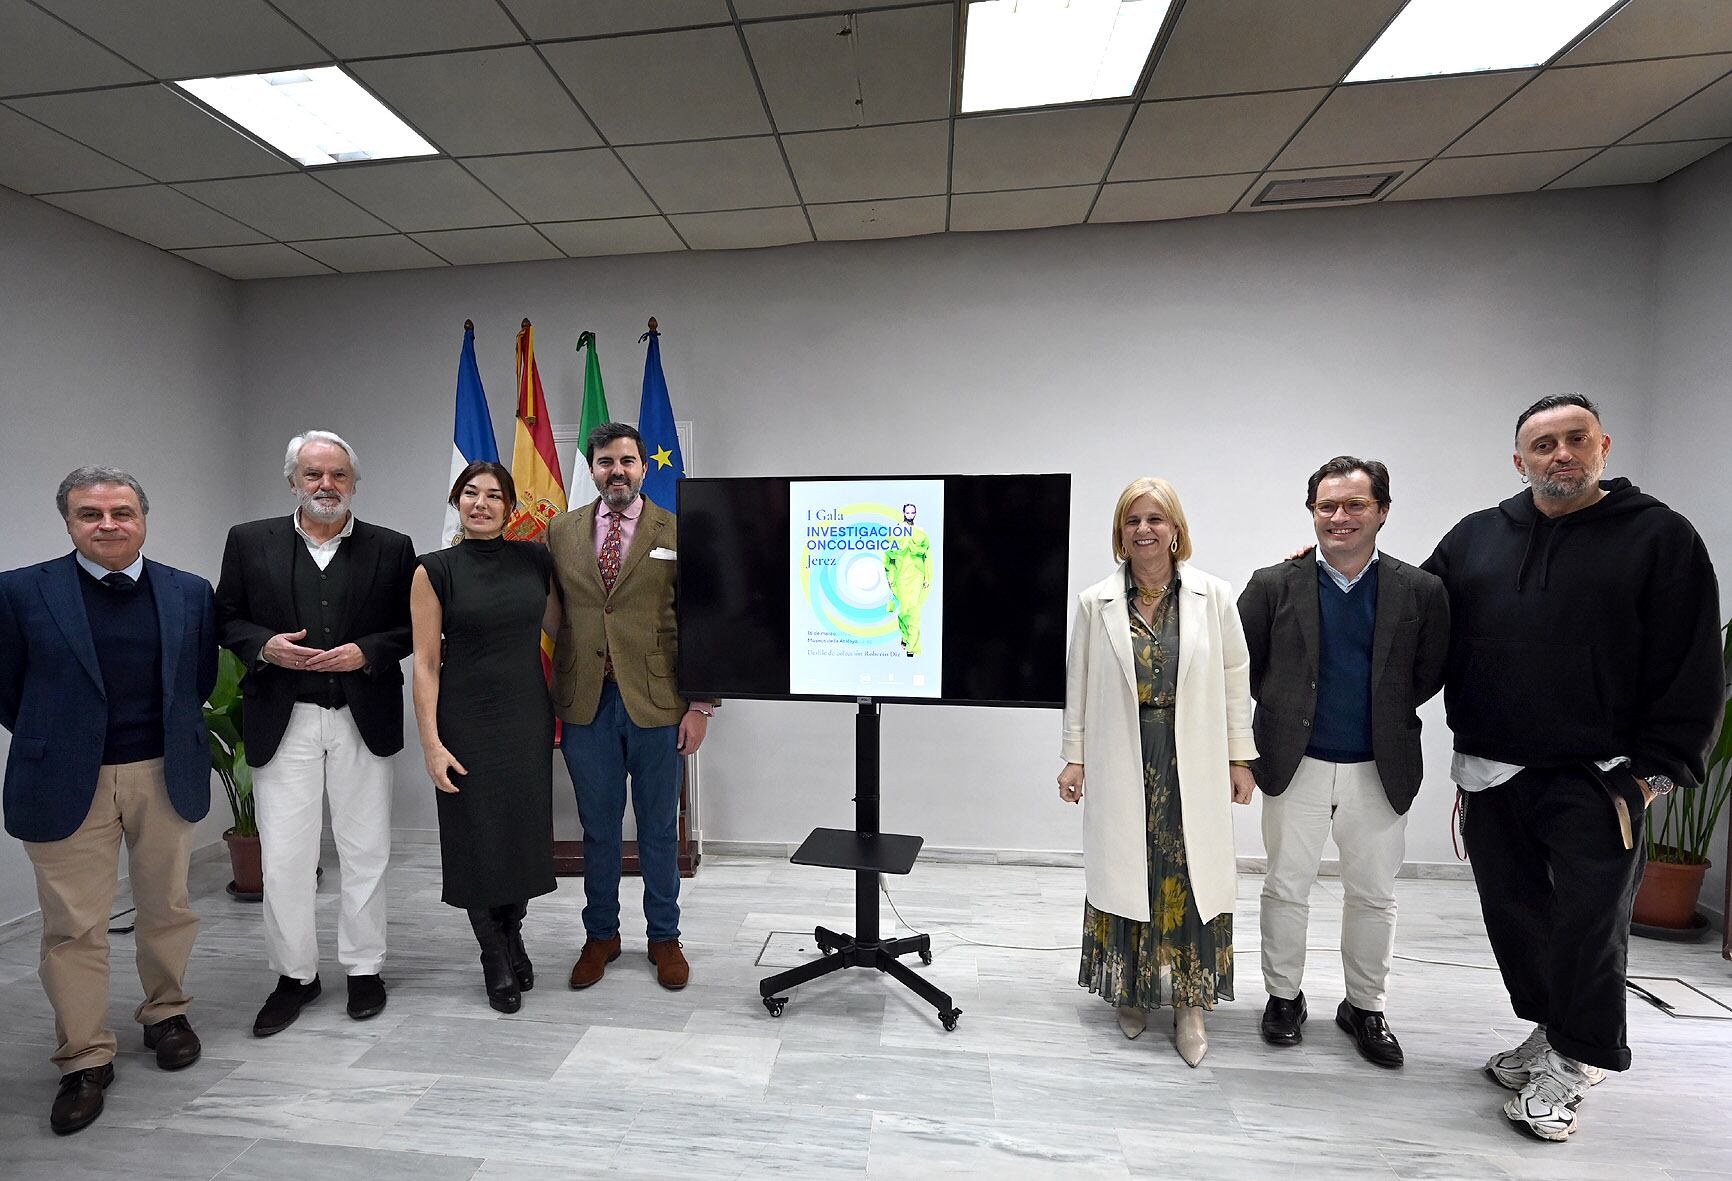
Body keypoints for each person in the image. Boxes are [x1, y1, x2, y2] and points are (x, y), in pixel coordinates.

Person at [1423, 394, 1721, 1141]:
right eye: (1544, 443)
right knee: (1517, 917)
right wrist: (1329, 569)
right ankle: (1555, 1030)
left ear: (1604, 446)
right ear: (1518, 459)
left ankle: (1579, 1059)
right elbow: (1414, 618)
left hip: (1600, 777)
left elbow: (1692, 663)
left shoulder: (1660, 537)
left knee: (1590, 926)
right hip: (1492, 772)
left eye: (1576, 439)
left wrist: (1654, 774)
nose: (1561, 454)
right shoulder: (1476, 538)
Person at [0, 467, 215, 1134]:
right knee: (74, 925)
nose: (108, 523)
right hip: (67, 778)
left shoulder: (189, 591)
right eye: (90, 513)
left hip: (162, 769)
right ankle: (84, 1057)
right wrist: (62, 741)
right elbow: (9, 690)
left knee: (167, 906)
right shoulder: (19, 591)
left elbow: (198, 678)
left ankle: (166, 1011)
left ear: (143, 518)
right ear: (68, 522)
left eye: (121, 511)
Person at [1237, 457, 1449, 1068]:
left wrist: (1380, 713)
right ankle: (1283, 998)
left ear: (1382, 511)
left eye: (1355, 505)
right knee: (1285, 888)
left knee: (1375, 895)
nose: (1340, 517)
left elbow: (1430, 671)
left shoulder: (1419, 591)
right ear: (1312, 513)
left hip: (1379, 769)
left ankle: (1365, 1006)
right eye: (1327, 506)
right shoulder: (1274, 584)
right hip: (1293, 763)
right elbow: (1245, 670)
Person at [215, 431, 416, 1036]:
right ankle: (294, 976)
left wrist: (368, 653)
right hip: (284, 716)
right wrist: (265, 646)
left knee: (365, 851)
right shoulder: (250, 542)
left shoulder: (391, 547)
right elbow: (225, 617)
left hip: (362, 716)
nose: (325, 485)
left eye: (337, 475)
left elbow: (413, 626)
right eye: (313, 475)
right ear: (294, 481)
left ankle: (363, 969)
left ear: (354, 483)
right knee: (284, 857)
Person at [1058, 477, 1257, 1066]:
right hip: (1125, 751)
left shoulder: (1212, 596)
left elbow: (1235, 679)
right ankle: (1133, 989)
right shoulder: (1096, 602)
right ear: (1120, 534)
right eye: (1131, 520)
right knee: (1130, 868)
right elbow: (1079, 684)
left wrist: (1239, 758)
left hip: (1188, 754)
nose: (1143, 530)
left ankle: (1190, 1004)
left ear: (1175, 529)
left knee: (1189, 874)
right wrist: (1075, 757)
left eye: (1155, 519)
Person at [548, 422, 714, 992]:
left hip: (661, 703)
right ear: (591, 469)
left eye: (626, 461)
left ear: (644, 467)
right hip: (585, 702)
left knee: (659, 832)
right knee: (596, 828)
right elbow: (553, 614)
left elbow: (704, 619)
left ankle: (664, 938)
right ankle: (601, 936)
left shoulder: (677, 529)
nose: (615, 471)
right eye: (604, 462)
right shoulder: (561, 532)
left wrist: (703, 706)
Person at [411, 461, 560, 1013]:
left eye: (493, 496)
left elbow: (562, 629)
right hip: (465, 719)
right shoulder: (434, 570)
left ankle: (513, 930)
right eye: (470, 493)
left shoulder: (535, 559)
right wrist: (431, 742)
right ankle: (492, 951)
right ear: (457, 501)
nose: (481, 504)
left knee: (520, 831)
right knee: (476, 834)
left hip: (525, 715)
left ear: (510, 507)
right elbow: (425, 663)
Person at [883, 502, 932, 656]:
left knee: (913, 610)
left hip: (917, 575)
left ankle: (912, 647)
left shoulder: (921, 532)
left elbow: (927, 556)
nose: (910, 515)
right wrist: (890, 577)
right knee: (904, 610)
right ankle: (905, 637)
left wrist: (926, 576)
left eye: (913, 512)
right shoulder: (895, 531)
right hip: (901, 575)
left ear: (915, 513)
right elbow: (888, 557)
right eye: (908, 512)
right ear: (903, 513)